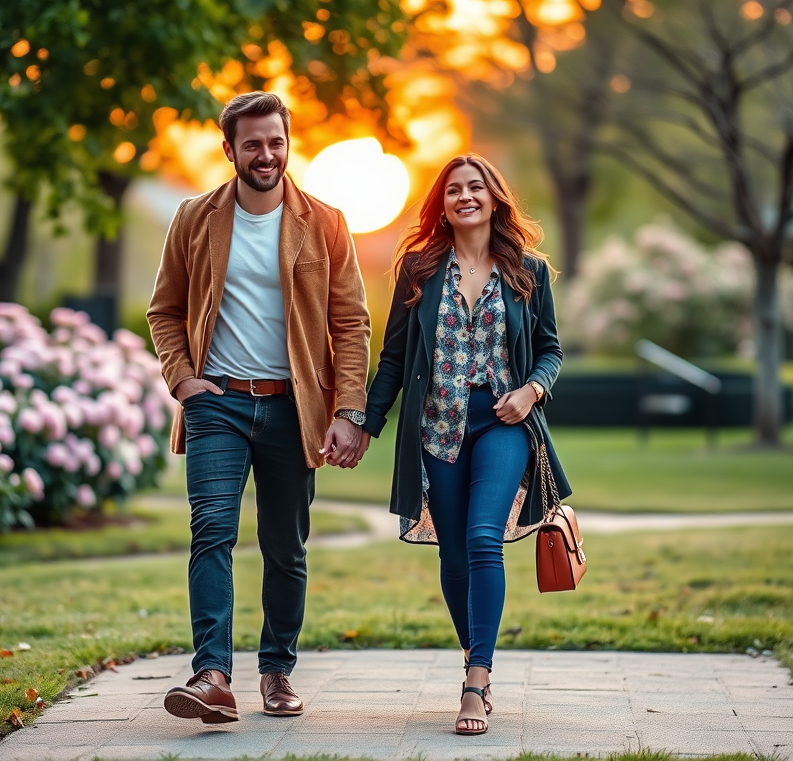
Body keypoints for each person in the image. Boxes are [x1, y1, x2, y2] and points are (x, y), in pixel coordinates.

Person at [147, 91, 371, 724]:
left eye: (276, 141)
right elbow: (164, 309)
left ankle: (276, 670)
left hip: (292, 408)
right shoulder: (194, 218)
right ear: (230, 151)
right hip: (215, 402)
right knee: (211, 532)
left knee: (285, 546)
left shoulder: (324, 222)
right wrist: (182, 379)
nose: (266, 154)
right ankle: (212, 675)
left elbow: (351, 323)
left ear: (287, 143)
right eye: (253, 144)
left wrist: (348, 408)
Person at [359, 154, 572, 736]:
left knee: (483, 539)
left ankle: (476, 679)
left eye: (476, 187)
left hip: (502, 423)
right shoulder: (420, 269)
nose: (465, 196)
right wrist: (364, 422)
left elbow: (551, 349)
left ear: (495, 197)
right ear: (442, 203)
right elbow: (396, 359)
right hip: (438, 427)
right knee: (453, 554)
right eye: (454, 190)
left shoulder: (528, 270)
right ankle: (474, 654)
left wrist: (532, 390)